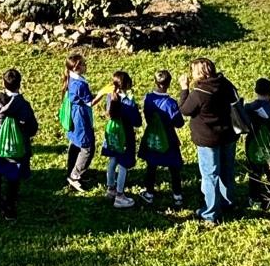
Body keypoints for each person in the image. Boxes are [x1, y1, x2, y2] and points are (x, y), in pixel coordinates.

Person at [177, 57, 241, 223]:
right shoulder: (224, 83)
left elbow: (185, 110)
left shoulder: (199, 93)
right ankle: (227, 202)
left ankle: (210, 212)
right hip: (228, 134)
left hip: (208, 139)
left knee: (210, 175)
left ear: (200, 73)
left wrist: (184, 89)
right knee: (227, 170)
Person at [0, 68, 38, 220]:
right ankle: (9, 208)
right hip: (17, 148)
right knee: (13, 177)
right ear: (19, 84)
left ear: (3, 83)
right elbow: (33, 128)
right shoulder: (23, 105)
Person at [138, 70, 185, 207]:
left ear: (155, 82)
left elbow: (147, 116)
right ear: (169, 84)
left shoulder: (148, 98)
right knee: (174, 168)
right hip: (169, 139)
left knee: (151, 166)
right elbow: (179, 123)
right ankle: (177, 195)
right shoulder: (171, 103)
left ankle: (149, 193)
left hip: (153, 136)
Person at [239, 78, 270, 212]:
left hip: (254, 144)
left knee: (254, 174)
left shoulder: (248, 108)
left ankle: (255, 200)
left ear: (255, 91)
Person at [101, 70, 141, 209]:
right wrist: (133, 105)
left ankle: (110, 188)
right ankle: (119, 195)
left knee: (112, 160)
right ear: (127, 84)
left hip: (112, 135)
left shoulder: (110, 96)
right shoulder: (128, 102)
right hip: (125, 137)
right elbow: (137, 122)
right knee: (123, 165)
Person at [60, 53, 96, 193]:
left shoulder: (71, 79)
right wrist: (103, 93)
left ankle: (71, 171)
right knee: (87, 148)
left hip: (73, 116)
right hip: (81, 118)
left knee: (75, 144)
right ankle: (75, 175)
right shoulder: (80, 84)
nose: (86, 66)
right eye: (83, 64)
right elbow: (90, 102)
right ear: (76, 67)